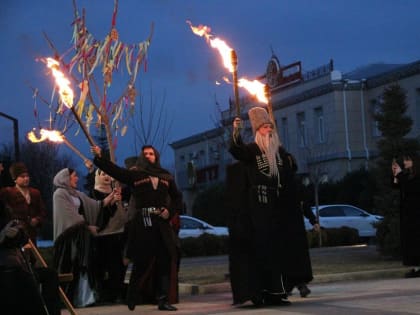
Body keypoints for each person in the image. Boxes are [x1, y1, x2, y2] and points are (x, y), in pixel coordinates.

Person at [226, 107, 309, 306]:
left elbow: (288, 174)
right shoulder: (252, 151)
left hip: (277, 207)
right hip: (257, 208)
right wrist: (236, 131)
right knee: (261, 250)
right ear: (257, 130)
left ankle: (277, 293)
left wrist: (290, 161)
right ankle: (260, 293)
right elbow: (236, 150)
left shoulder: (279, 152)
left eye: (270, 126)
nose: (268, 130)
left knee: (278, 250)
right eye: (264, 127)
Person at [91, 145, 182, 311]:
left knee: (165, 258)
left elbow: (177, 198)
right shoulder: (135, 175)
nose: (148, 156)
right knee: (142, 260)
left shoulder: (166, 177)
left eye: (151, 153)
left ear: (156, 156)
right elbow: (115, 171)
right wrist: (99, 157)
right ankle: (131, 295)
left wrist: (169, 211)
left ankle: (162, 299)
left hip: (161, 221)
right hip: (144, 220)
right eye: (145, 154)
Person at [52, 167, 120, 307]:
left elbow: (96, 206)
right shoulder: (59, 194)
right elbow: (68, 215)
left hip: (81, 236)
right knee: (71, 265)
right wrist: (87, 227)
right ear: (66, 178)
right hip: (68, 238)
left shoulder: (77, 194)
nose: (77, 178)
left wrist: (112, 195)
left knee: (83, 266)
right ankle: (68, 298)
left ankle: (84, 298)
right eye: (74, 176)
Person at [0, 170, 61, 315]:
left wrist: (19, 232)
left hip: (16, 262)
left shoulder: (6, 207)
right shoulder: (8, 193)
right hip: (6, 267)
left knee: (48, 275)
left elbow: (20, 232)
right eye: (22, 176)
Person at [87, 167, 127, 303]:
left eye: (108, 174)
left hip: (118, 233)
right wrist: (111, 203)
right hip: (104, 235)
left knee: (119, 265)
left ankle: (117, 292)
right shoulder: (94, 193)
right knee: (105, 265)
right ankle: (106, 294)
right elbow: (98, 211)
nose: (106, 176)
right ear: (97, 176)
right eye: (103, 173)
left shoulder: (116, 192)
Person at [0, 162, 47, 246]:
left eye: (27, 176)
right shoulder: (8, 192)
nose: (26, 178)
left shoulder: (35, 193)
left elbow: (42, 211)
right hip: (16, 235)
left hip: (31, 235)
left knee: (32, 258)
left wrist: (37, 219)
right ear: (15, 178)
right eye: (22, 176)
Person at [392, 152, 420, 278]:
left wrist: (400, 174)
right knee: (411, 240)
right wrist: (396, 175)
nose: (405, 163)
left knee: (416, 239)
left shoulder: (416, 176)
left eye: (407, 160)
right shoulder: (408, 175)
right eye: (404, 160)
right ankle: (416, 267)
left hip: (416, 213)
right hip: (409, 213)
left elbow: (411, 188)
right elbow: (397, 186)